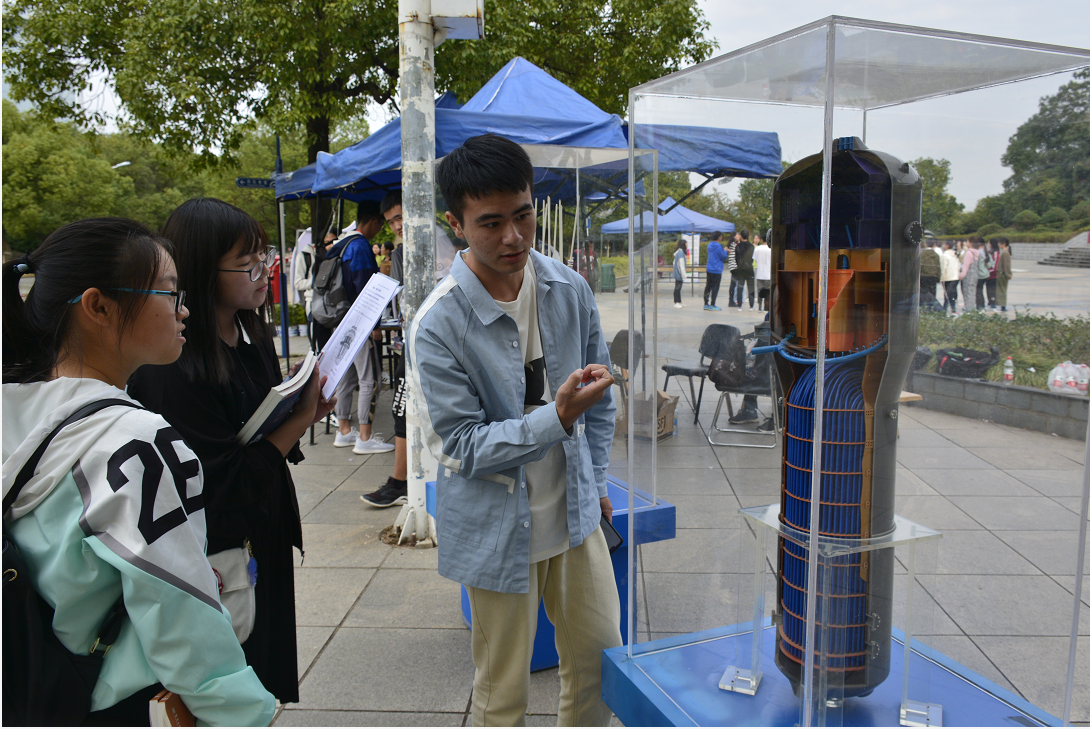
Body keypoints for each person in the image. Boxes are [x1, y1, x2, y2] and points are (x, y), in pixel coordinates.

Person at [3, 218, 274, 725]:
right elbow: (181, 616)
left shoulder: (16, 410)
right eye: (169, 292)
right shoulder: (136, 443)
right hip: (98, 700)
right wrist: (245, 713)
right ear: (98, 307)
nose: (184, 309)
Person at [412, 134, 621, 726]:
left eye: (524, 215)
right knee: (502, 694)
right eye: (491, 223)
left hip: (575, 514)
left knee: (600, 664)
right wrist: (554, 419)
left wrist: (598, 475)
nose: (513, 237)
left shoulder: (567, 288)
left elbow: (600, 399)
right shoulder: (439, 324)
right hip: (495, 525)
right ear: (456, 224)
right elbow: (463, 445)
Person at [128, 199, 335, 706]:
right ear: (202, 270)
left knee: (262, 680)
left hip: (261, 533)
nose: (265, 271)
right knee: (228, 686)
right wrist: (300, 421)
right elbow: (220, 484)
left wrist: (295, 400)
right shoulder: (173, 367)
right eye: (248, 262)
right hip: (217, 552)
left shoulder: (250, 334)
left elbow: (256, 430)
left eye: (264, 257)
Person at [321, 201, 395, 454]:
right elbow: (366, 291)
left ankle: (343, 431)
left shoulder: (340, 244)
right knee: (369, 379)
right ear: (374, 221)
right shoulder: (361, 246)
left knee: (346, 377)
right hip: (358, 323)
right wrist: (374, 325)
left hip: (337, 320)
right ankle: (364, 437)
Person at [361, 190, 410, 508]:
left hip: (430, 341)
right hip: (414, 337)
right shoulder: (402, 253)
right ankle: (401, 480)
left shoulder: (435, 244)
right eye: (391, 221)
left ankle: (401, 481)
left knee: (403, 408)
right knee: (402, 408)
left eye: (400, 217)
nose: (396, 225)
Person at [732, 229, 755, 309]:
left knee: (740, 287)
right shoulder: (752, 246)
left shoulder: (737, 246)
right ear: (748, 236)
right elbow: (752, 258)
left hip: (741, 270)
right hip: (749, 269)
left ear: (741, 236)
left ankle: (739, 306)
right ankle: (751, 306)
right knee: (751, 287)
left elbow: (736, 258)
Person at [704, 231, 726, 311]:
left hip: (709, 269)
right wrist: (726, 251)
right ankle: (713, 304)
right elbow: (723, 257)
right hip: (717, 270)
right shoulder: (719, 246)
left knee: (708, 287)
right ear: (719, 237)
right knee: (715, 288)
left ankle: (706, 304)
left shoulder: (709, 245)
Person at [919, 239, 941, 311]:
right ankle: (932, 309)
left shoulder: (922, 254)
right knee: (932, 294)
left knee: (924, 294)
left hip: (924, 277)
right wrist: (938, 277)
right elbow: (938, 267)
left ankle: (925, 309)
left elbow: (921, 266)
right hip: (933, 277)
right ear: (934, 245)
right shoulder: (936, 255)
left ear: (925, 244)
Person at [960, 237, 981, 312]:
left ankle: (968, 310)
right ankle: (972, 309)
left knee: (967, 293)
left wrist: (962, 275)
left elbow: (966, 265)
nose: (966, 243)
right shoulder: (977, 252)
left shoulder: (969, 253)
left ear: (971, 243)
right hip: (975, 275)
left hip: (968, 275)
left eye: (967, 241)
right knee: (972, 293)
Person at [940, 240, 961, 313]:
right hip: (955, 277)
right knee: (953, 293)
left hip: (948, 277)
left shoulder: (945, 255)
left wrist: (941, 278)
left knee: (946, 294)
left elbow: (943, 268)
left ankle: (945, 308)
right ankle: (953, 308)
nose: (943, 245)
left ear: (947, 246)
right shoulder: (955, 254)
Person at [754, 229, 772, 312]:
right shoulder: (771, 249)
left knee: (760, 291)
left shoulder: (757, 249)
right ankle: (766, 307)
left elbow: (755, 259)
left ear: (761, 239)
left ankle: (759, 306)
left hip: (760, 274)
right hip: (768, 275)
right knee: (768, 292)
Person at [996, 237, 1013, 312]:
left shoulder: (1005, 253)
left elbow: (1006, 265)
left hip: (1002, 274)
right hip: (1001, 273)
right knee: (1001, 290)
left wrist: (1008, 274)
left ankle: (1003, 306)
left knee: (1002, 290)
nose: (999, 244)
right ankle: (1002, 305)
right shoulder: (1004, 252)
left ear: (1004, 244)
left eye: (1000, 243)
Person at [984, 239, 1001, 310]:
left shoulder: (996, 253)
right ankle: (990, 302)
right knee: (988, 289)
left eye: (989, 243)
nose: (988, 244)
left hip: (993, 275)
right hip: (988, 275)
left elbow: (995, 265)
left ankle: (993, 303)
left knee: (992, 289)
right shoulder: (989, 252)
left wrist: (989, 271)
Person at [725, 231, 739, 307]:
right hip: (735, 266)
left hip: (731, 266)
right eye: (738, 235)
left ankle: (731, 300)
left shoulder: (730, 245)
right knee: (733, 285)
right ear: (734, 236)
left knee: (732, 285)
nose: (739, 236)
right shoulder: (735, 245)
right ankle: (731, 301)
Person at [672, 239, 687, 309]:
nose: (687, 245)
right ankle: (676, 302)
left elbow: (674, 262)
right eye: (686, 243)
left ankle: (679, 301)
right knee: (677, 288)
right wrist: (683, 275)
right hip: (679, 274)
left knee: (678, 288)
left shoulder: (679, 252)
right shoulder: (681, 253)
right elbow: (681, 265)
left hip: (678, 273)